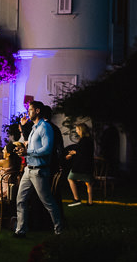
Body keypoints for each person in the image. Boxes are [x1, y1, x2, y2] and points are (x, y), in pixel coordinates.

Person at [14, 101, 63, 237]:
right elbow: (31, 147)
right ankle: (20, 230)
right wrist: (23, 150)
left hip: (39, 170)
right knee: (20, 200)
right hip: (28, 169)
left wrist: (28, 152)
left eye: (30, 109)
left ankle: (59, 230)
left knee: (47, 201)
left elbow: (47, 149)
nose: (28, 112)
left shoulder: (45, 127)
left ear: (37, 111)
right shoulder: (34, 128)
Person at [66, 123, 94, 206]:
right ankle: (90, 201)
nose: (76, 131)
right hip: (88, 165)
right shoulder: (89, 139)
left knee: (70, 178)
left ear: (81, 130)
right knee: (88, 183)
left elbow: (83, 153)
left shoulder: (84, 140)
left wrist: (74, 152)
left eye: (77, 129)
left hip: (81, 166)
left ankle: (76, 199)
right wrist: (73, 153)